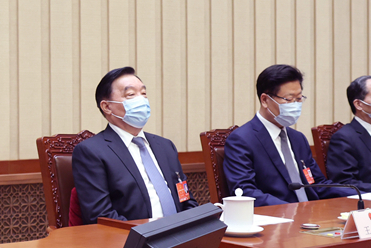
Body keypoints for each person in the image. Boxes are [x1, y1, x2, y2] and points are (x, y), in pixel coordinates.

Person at [72, 67, 198, 222]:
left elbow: (186, 200)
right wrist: (149, 232)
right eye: (131, 95)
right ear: (107, 107)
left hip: (181, 232)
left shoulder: (165, 146)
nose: (141, 100)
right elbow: (101, 216)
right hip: (133, 236)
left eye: (144, 94)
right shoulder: (91, 151)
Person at [223, 64, 350, 206]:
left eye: (299, 99)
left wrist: (363, 195)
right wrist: (293, 210)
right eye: (288, 100)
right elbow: (246, 192)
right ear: (265, 100)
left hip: (312, 212)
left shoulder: (298, 138)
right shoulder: (242, 140)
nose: (295, 105)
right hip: (277, 216)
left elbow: (318, 184)